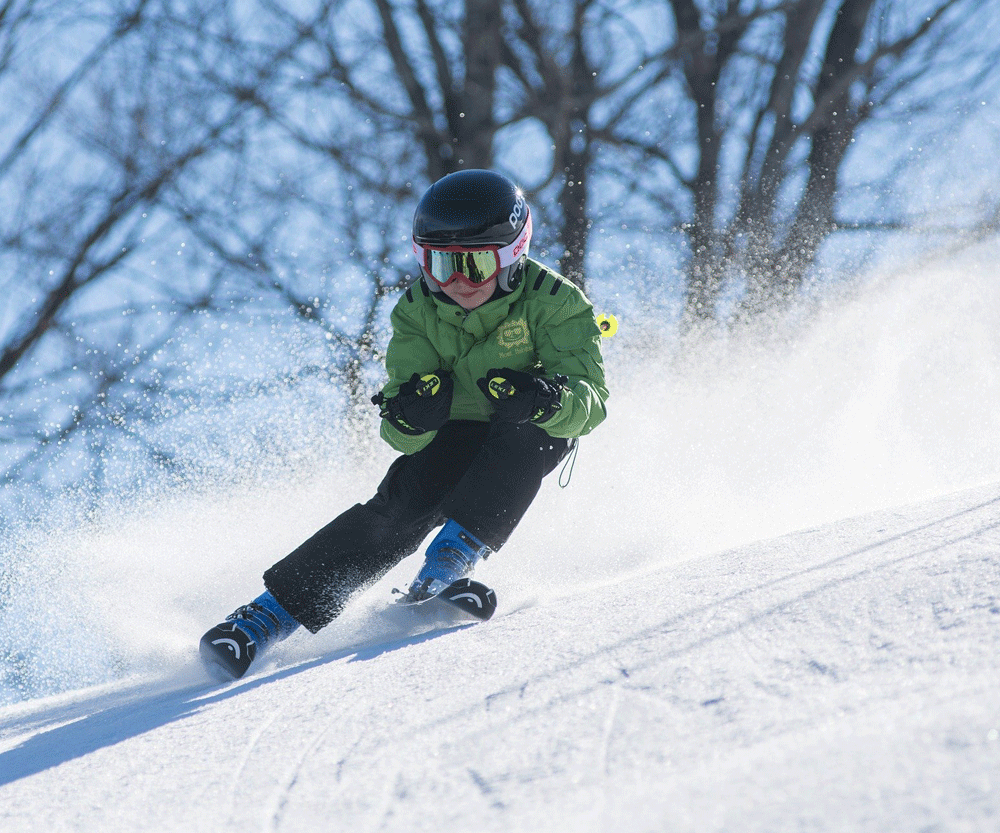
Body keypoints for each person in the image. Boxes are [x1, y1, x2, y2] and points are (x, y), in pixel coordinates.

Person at [199, 169, 610, 679]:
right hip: (453, 431)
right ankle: (265, 618)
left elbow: (592, 401)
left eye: (476, 264)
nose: (456, 282)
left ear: (512, 256)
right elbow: (399, 431)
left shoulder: (556, 301)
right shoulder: (417, 310)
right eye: (440, 264)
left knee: (532, 436)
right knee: (403, 504)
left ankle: (447, 565)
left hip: (525, 427)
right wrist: (412, 416)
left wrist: (546, 399)